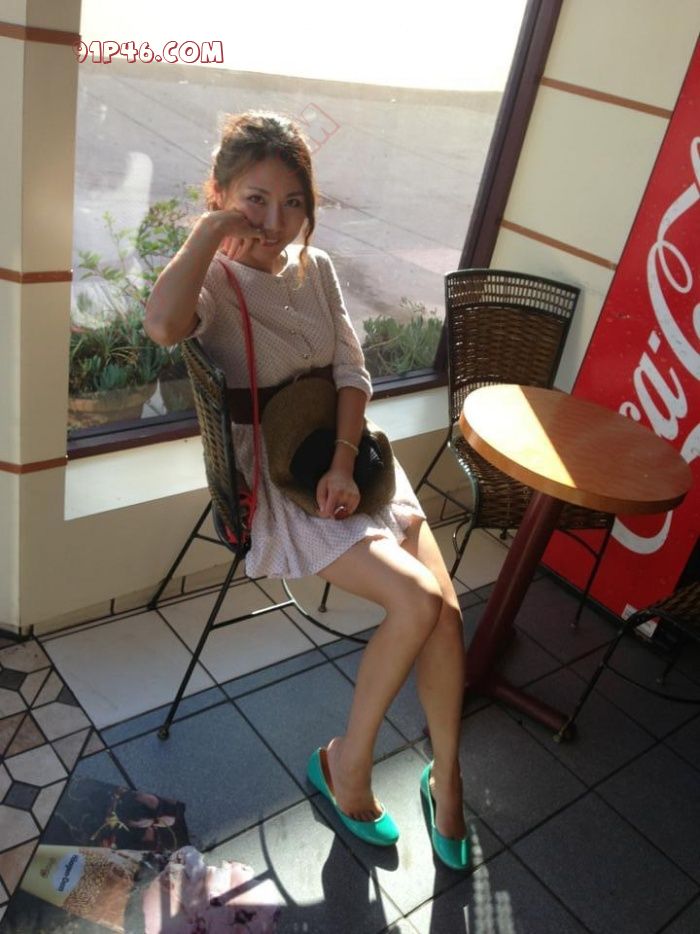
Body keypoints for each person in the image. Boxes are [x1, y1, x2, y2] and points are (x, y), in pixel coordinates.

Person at [145, 111, 469, 870]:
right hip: (276, 482)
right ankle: (346, 765)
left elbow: (352, 373)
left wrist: (344, 461)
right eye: (255, 201)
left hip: (343, 458)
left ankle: (447, 777)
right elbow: (162, 324)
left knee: (446, 616)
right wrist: (210, 232)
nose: (276, 222)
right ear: (221, 195)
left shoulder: (315, 268)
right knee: (418, 602)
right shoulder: (214, 280)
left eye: (293, 203)